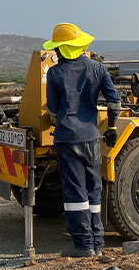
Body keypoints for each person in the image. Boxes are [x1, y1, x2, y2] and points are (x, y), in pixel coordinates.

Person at [44, 23, 121, 257]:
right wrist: (111, 126)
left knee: (75, 191)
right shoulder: (98, 68)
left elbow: (53, 111)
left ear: (61, 49)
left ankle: (84, 245)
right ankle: (97, 243)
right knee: (93, 188)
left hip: (67, 139)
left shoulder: (55, 73)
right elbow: (114, 101)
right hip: (91, 138)